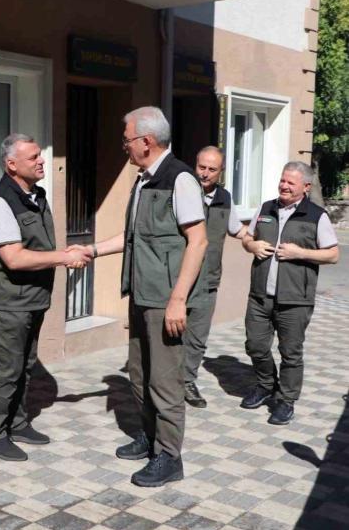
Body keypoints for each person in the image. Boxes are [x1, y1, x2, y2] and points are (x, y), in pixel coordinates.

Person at [79, 106, 208, 487]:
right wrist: (92, 251)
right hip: (140, 294)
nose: (124, 146)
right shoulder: (143, 180)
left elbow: (198, 241)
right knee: (139, 374)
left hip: (165, 300)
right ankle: (149, 438)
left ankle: (169, 457)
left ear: (146, 141)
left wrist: (178, 300)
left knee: (165, 381)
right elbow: (134, 237)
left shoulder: (179, 179)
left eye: (127, 140)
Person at [0, 133, 91, 462]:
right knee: (6, 370)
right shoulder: (0, 202)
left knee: (24, 366)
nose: (42, 161)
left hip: (32, 299)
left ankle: (17, 423)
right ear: (12, 165)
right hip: (6, 303)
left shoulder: (37, 195)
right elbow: (14, 258)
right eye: (33, 157)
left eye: (40, 154)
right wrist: (64, 257)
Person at [240, 161, 339, 425]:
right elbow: (247, 238)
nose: (283, 186)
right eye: (282, 180)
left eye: (290, 182)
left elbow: (333, 254)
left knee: (290, 353)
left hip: (295, 300)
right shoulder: (266, 208)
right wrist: (252, 245)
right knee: (255, 345)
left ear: (306, 187)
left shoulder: (316, 215)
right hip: (260, 296)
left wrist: (300, 253)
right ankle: (266, 385)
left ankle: (286, 400)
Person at [183, 146, 247, 408]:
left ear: (221, 172)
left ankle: (186, 381)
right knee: (169, 334)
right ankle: (163, 383)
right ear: (195, 165)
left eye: (212, 169)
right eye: (201, 167)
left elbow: (236, 229)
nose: (205, 173)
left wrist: (256, 239)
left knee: (197, 337)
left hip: (208, 279)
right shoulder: (182, 192)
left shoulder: (224, 198)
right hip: (177, 277)